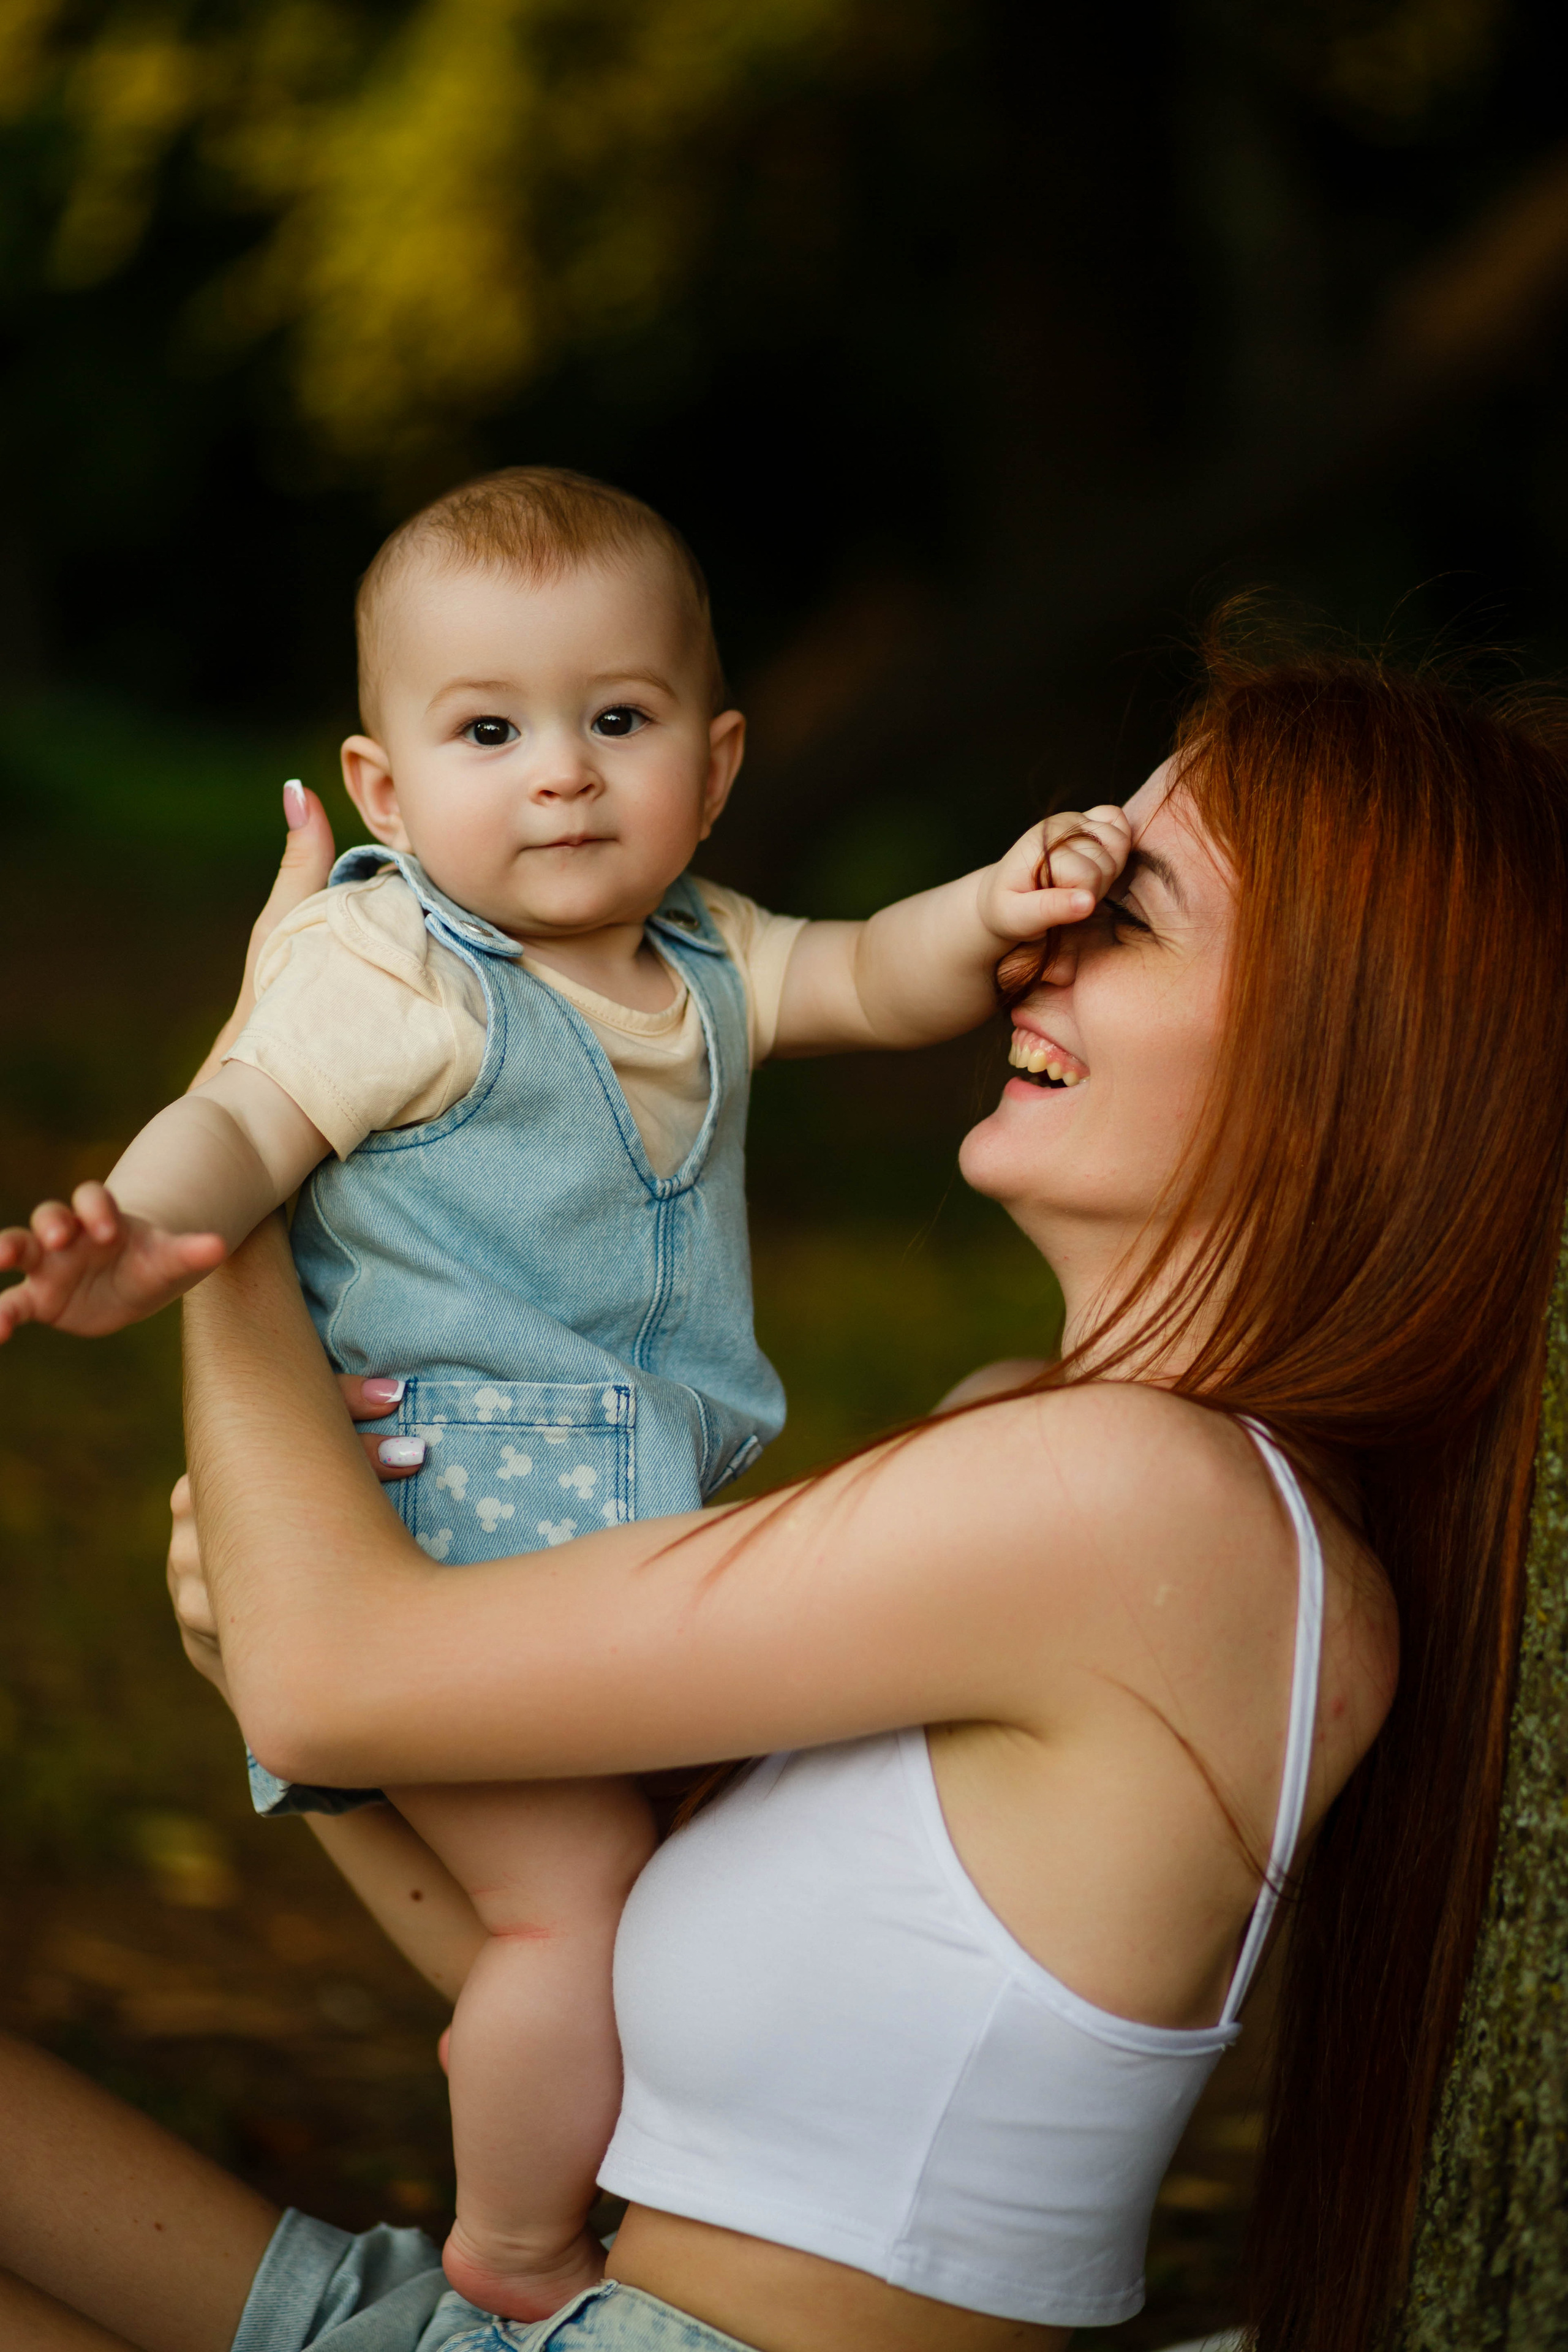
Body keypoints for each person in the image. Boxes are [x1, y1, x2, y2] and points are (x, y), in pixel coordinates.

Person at [7, 633, 1567, 2352]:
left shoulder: (1142, 1510)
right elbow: (619, 1999)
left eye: (1125, 912)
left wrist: (263, 1128)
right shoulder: (1058, 1445)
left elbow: (336, 1671)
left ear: (1343, 1064)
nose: (1036, 937)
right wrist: (337, 1741)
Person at [0, 466, 1107, 2321]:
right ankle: (514, 2255)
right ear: (382, 788)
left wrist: (995, 901)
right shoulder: (397, 962)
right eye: (490, 729)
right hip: (437, 1535)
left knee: (664, 1902)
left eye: (619, 720)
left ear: (719, 757)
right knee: (571, 1915)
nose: (564, 773)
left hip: (623, 1561)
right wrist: (149, 1231)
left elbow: (874, 972)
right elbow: (245, 1114)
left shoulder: (712, 957)